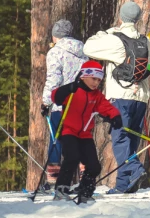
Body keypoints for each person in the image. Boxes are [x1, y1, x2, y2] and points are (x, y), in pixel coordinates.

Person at [83, 1, 150, 195]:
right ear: (139, 18)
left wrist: (104, 33)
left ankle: (133, 168)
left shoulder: (115, 39)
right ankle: (125, 185)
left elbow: (88, 48)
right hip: (141, 97)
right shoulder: (146, 41)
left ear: (121, 17)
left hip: (119, 95)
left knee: (118, 137)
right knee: (131, 138)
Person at [50, 60, 122, 203]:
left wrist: (115, 116)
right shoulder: (73, 90)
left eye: (99, 80)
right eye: (94, 79)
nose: (96, 83)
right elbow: (55, 97)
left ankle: (85, 192)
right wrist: (68, 88)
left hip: (85, 134)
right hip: (68, 131)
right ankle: (61, 190)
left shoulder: (96, 95)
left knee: (94, 165)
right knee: (72, 157)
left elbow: (106, 107)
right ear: (84, 76)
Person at [40, 19, 88, 187]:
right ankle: (85, 179)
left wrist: (46, 101)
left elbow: (54, 80)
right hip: (81, 105)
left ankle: (53, 181)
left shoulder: (55, 52)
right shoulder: (84, 51)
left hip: (61, 104)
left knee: (57, 140)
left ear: (56, 36)